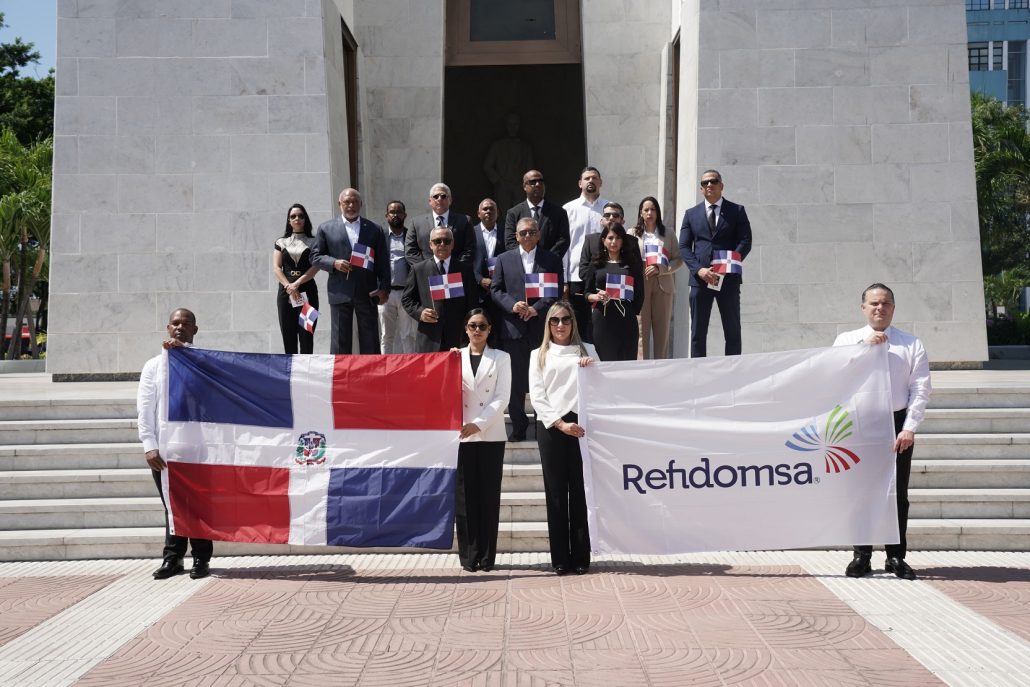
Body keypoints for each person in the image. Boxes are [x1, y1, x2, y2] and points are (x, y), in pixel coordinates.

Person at [835, 283, 931, 581]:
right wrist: (865, 349)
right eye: (874, 303)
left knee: (897, 494)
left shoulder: (910, 343)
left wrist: (909, 428)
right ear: (863, 308)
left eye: (885, 303)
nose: (880, 308)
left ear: (893, 307)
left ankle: (895, 556)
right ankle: (861, 555)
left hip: (896, 423)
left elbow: (920, 387)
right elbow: (836, 373)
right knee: (861, 492)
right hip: (860, 423)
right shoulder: (847, 340)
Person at [137, 308, 213, 580]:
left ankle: (201, 559)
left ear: (195, 329)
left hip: (197, 449)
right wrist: (149, 444)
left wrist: (185, 354)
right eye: (175, 323)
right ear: (168, 328)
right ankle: (173, 559)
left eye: (186, 324)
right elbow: (145, 409)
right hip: (165, 452)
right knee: (172, 505)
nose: (180, 327)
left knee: (198, 505)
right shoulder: (153, 366)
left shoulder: (204, 363)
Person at [529, 301, 596, 576]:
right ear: (548, 324)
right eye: (554, 320)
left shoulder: (588, 350)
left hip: (581, 428)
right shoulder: (538, 354)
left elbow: (600, 387)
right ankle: (560, 558)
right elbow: (537, 394)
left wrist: (591, 369)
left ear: (573, 322)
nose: (560, 325)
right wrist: (559, 424)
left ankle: (581, 557)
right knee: (556, 494)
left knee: (580, 493)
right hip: (552, 429)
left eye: (565, 319)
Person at [490, 217, 564, 442]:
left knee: (547, 380)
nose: (528, 236)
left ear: (539, 234)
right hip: (513, 329)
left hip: (541, 328)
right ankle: (519, 427)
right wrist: (512, 305)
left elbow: (556, 291)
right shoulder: (503, 259)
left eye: (532, 232)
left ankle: (547, 426)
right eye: (523, 233)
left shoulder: (551, 259)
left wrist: (536, 309)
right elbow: (495, 289)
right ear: (517, 236)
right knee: (515, 382)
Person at [454, 308, 512, 573]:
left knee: (489, 497)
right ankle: (468, 556)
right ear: (465, 328)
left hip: (490, 433)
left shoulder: (501, 358)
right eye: (472, 325)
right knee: (466, 499)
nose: (477, 330)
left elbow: (502, 397)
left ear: (490, 330)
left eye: (482, 326)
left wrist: (477, 424)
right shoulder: (453, 357)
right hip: (461, 435)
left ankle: (487, 556)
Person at [678, 169, 753, 357]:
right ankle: (698, 375)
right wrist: (699, 270)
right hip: (700, 280)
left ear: (722, 185)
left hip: (728, 279)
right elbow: (684, 247)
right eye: (705, 183)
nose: (709, 185)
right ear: (701, 189)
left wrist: (727, 266)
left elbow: (745, 241)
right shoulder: (691, 214)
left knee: (733, 331)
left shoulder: (737, 211)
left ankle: (733, 373)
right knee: (697, 333)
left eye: (713, 181)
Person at [311, 188, 390, 354]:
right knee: (340, 341)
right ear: (340, 204)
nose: (351, 205)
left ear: (361, 204)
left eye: (355, 202)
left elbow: (382, 262)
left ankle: (371, 376)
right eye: (347, 202)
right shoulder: (326, 228)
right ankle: (340, 377)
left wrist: (384, 289)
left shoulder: (375, 229)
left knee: (370, 340)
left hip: (368, 291)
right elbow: (315, 256)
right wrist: (334, 263)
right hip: (340, 290)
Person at [402, 227, 476, 352]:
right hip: (429, 338)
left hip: (458, 338)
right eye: (437, 241)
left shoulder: (465, 269)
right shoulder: (418, 269)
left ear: (452, 244)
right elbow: (407, 299)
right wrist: (420, 313)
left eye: (446, 241)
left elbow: (472, 301)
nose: (442, 244)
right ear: (430, 244)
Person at [583, 220, 645, 361]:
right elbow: (586, 293)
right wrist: (596, 297)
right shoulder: (596, 263)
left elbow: (640, 294)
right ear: (604, 240)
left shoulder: (632, 264)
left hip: (626, 321)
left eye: (618, 238)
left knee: (626, 364)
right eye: (610, 238)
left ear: (623, 240)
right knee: (603, 362)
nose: (614, 241)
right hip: (602, 321)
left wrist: (628, 311)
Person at [631, 197, 683, 359]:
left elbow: (678, 259)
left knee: (662, 330)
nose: (649, 213)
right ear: (641, 213)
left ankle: (662, 367)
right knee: (641, 330)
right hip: (640, 284)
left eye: (653, 209)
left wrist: (660, 269)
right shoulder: (632, 233)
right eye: (646, 210)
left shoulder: (668, 233)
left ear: (657, 212)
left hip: (663, 283)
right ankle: (642, 367)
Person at [563, 167, 608, 342]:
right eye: (587, 178)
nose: (591, 181)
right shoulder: (568, 209)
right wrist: (564, 280)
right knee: (578, 325)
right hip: (576, 276)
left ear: (600, 183)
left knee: (601, 325)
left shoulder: (609, 208)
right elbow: (565, 246)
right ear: (580, 183)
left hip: (603, 276)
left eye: (595, 178)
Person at [273, 203, 320, 354]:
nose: (297, 219)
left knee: (307, 335)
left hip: (307, 292)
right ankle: (291, 374)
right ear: (289, 220)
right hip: (286, 293)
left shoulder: (314, 242)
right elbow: (276, 267)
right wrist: (289, 286)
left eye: (300, 216)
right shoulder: (281, 242)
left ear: (305, 219)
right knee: (288, 336)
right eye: (293, 216)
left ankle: (307, 372)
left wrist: (297, 283)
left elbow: (315, 266)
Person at [502, 169, 570, 258]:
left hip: (549, 266)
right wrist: (526, 257)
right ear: (524, 186)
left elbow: (563, 240)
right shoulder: (513, 213)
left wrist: (547, 259)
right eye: (533, 182)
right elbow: (510, 242)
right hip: (523, 264)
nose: (538, 184)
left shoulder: (559, 212)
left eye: (541, 182)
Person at [405, 182, 475, 266]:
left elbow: (470, 249)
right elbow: (410, 251)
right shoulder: (416, 223)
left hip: (455, 274)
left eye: (443, 196)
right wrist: (426, 268)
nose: (439, 199)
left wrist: (453, 267)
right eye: (436, 196)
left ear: (450, 200)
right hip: (426, 275)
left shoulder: (464, 221)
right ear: (430, 201)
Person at [379, 200, 416, 354]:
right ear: (386, 216)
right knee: (386, 335)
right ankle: (384, 370)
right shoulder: (379, 237)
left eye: (399, 212)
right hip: (385, 294)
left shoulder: (411, 236)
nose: (395, 215)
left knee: (408, 335)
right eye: (392, 212)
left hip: (407, 293)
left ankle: (410, 370)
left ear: (404, 215)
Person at [483, 113, 534, 212]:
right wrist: (498, 181)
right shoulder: (497, 146)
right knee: (503, 216)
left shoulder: (526, 148)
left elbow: (530, 170)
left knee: (521, 214)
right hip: (502, 187)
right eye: (510, 124)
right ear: (506, 126)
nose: (513, 128)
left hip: (519, 187)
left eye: (516, 124)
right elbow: (487, 166)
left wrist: (524, 185)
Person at [472, 198, 505, 347]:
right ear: (478, 213)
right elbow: (465, 262)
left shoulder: (506, 233)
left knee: (498, 331)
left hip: (500, 291)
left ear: (497, 213)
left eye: (492, 209)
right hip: (478, 292)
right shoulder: (471, 233)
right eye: (485, 209)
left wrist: (497, 282)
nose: (488, 211)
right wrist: (479, 279)